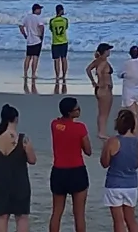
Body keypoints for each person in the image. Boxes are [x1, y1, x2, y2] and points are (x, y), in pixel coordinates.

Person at [0, 104, 36, 232]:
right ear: (16, 119)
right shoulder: (23, 139)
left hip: (0, 181)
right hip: (19, 181)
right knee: (22, 217)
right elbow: (32, 160)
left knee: (2, 217)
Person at [50, 97, 92, 232]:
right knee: (79, 214)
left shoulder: (55, 125)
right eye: (77, 109)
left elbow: (59, 123)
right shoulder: (80, 128)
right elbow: (88, 151)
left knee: (57, 212)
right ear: (70, 112)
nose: (79, 110)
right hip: (77, 170)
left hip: (59, 171)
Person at [100, 109, 138, 232]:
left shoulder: (113, 141)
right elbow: (136, 164)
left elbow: (104, 163)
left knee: (118, 221)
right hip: (131, 184)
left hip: (114, 183)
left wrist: (105, 149)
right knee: (131, 219)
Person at [86, 43, 115, 140]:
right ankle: (102, 132)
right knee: (104, 113)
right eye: (108, 50)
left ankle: (101, 131)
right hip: (104, 89)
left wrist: (93, 82)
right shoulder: (103, 63)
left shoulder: (97, 61)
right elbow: (98, 71)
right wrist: (101, 82)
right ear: (104, 52)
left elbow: (88, 69)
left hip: (100, 89)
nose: (109, 52)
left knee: (102, 112)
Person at [119, 46, 138, 128]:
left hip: (129, 90)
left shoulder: (127, 63)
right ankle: (135, 130)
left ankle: (134, 131)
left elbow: (120, 74)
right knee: (136, 112)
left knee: (132, 113)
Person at [19, 3, 44, 80]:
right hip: (36, 39)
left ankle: (25, 73)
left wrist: (25, 35)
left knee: (28, 57)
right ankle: (33, 74)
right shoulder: (37, 18)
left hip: (29, 40)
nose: (40, 11)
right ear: (36, 10)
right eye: (39, 9)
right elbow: (41, 27)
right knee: (35, 57)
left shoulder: (27, 17)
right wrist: (41, 35)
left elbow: (21, 26)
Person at [49, 4, 69, 82]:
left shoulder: (52, 21)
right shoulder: (65, 20)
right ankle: (64, 75)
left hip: (55, 42)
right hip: (64, 41)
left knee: (56, 60)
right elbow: (66, 28)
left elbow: (51, 29)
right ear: (61, 11)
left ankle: (57, 76)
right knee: (64, 58)